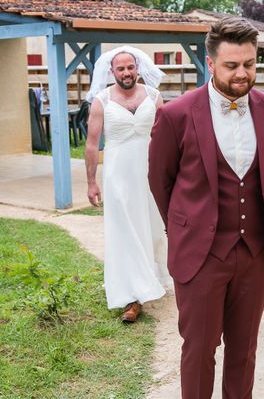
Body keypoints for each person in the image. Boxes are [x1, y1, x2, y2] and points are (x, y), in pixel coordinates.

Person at [148, 17, 264, 398]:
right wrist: (188, 225)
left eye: (250, 64)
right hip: (200, 255)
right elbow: (162, 182)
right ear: (210, 64)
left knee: (244, 350)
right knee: (199, 349)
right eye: (232, 65)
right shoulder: (176, 115)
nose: (242, 73)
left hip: (254, 251)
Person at [85, 46, 171, 323]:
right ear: (112, 72)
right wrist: (91, 182)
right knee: (125, 231)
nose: (126, 72)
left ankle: (151, 280)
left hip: (150, 174)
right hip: (118, 176)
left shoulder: (154, 96)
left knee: (153, 229)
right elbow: (91, 144)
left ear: (138, 68)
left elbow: (167, 137)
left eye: (130, 67)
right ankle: (130, 298)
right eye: (120, 68)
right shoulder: (102, 101)